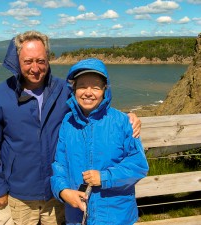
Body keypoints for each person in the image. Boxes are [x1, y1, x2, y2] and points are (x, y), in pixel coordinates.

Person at [0, 31, 142, 225]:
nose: (35, 68)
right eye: (28, 61)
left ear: (48, 59)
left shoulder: (64, 90)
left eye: (41, 60)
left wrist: (128, 118)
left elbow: (95, 103)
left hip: (57, 194)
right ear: (17, 60)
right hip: (18, 194)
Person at [51, 58, 149, 225]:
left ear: (105, 90)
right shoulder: (67, 122)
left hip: (116, 217)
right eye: (82, 86)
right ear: (73, 89)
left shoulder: (122, 122)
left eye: (95, 87)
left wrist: (104, 178)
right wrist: (62, 191)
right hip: (77, 216)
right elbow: (59, 164)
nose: (88, 92)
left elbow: (138, 165)